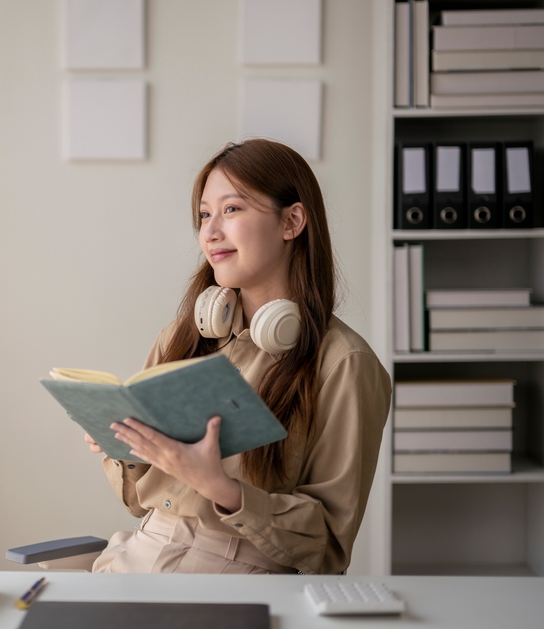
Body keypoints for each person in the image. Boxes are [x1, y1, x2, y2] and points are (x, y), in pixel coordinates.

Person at [87, 139, 391, 575]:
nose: (210, 233)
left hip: (238, 577)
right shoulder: (181, 338)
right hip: (135, 557)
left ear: (292, 221)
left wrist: (222, 489)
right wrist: (126, 447)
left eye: (231, 210)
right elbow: (140, 503)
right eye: (205, 215)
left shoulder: (344, 363)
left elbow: (327, 548)